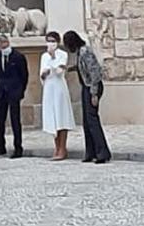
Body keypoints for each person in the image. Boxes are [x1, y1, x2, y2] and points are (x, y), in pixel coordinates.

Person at [65, 31, 110, 164]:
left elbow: (95, 72)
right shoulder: (81, 51)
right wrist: (73, 68)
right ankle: (91, 152)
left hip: (92, 87)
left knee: (92, 120)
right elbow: (83, 68)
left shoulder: (85, 52)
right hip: (86, 86)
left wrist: (94, 93)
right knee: (87, 121)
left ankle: (102, 152)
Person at [0, 34, 28, 159]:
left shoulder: (18, 56)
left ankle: (18, 147)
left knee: (15, 119)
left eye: (4, 42)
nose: (2, 45)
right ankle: (0, 145)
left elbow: (24, 75)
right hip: (1, 91)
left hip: (14, 90)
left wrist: (21, 90)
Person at [40, 31, 76, 161]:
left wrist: (53, 58)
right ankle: (56, 146)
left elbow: (60, 71)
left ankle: (63, 147)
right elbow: (42, 74)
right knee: (52, 117)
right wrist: (45, 72)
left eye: (53, 41)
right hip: (49, 88)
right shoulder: (44, 56)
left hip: (59, 87)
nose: (50, 43)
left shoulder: (63, 54)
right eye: (48, 40)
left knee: (61, 116)